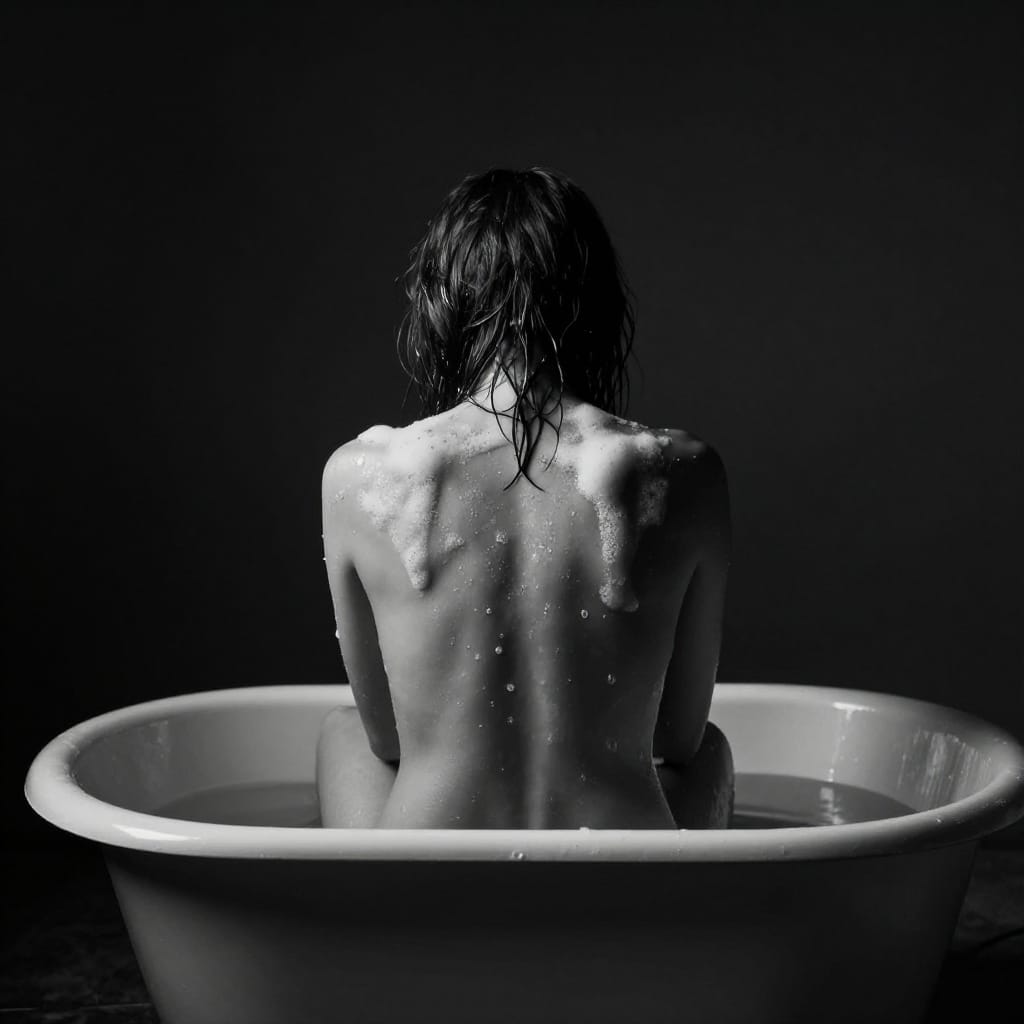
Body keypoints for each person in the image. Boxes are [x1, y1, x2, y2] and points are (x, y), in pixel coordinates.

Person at [317, 167, 732, 829]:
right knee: (710, 752)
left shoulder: (359, 477)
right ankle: (684, 929)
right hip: (624, 871)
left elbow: (386, 739)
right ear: (595, 305)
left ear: (442, 303)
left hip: (429, 874)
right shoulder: (685, 474)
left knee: (343, 733)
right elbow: (678, 741)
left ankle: (359, 931)